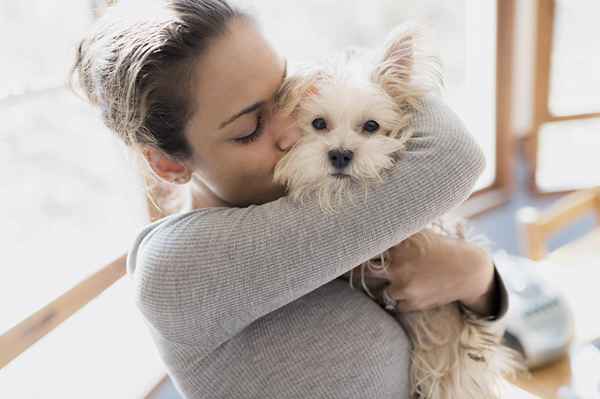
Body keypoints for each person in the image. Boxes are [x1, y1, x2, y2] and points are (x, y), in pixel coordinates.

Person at [70, 1, 509, 397]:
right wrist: (472, 269)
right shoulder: (175, 270)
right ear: (168, 164)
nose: (289, 129)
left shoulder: (310, 202)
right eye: (249, 128)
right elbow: (454, 157)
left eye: (287, 90)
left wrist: (481, 283)